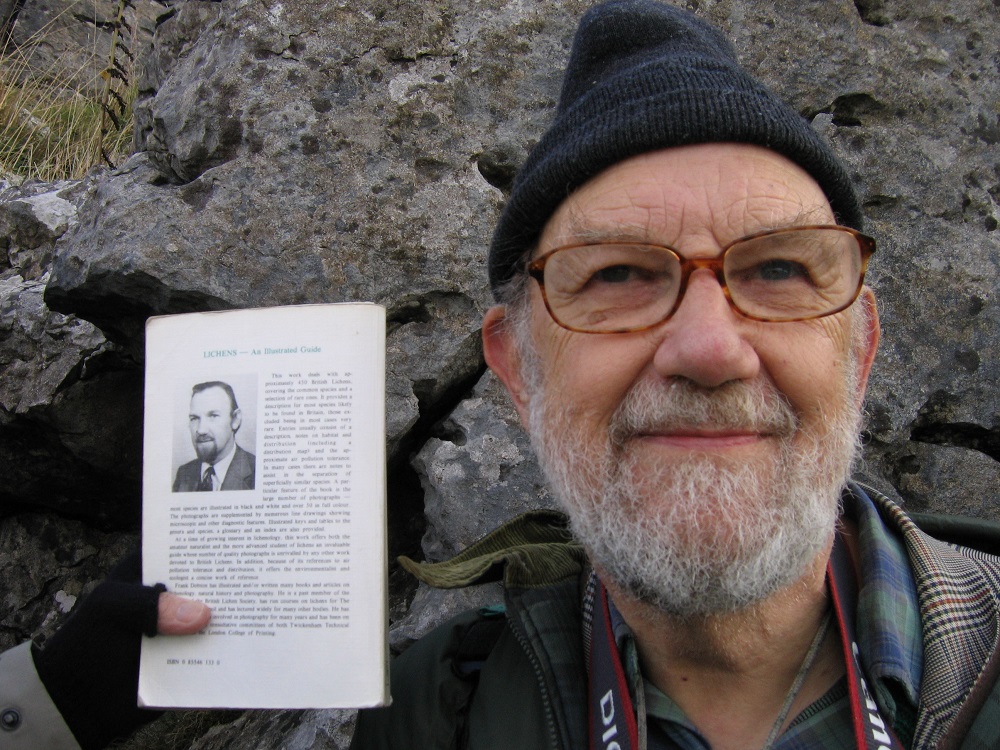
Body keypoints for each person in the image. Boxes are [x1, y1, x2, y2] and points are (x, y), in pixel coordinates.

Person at [2, 2, 1000, 749]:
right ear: (515, 371)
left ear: (858, 345)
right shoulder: (436, 715)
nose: (708, 348)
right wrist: (48, 714)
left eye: (778, 269)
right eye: (616, 275)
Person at [172, 380, 256, 492]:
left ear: (235, 419)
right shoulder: (183, 474)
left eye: (213, 416)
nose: (201, 430)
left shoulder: (257, 471)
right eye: (194, 418)